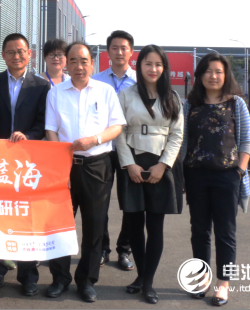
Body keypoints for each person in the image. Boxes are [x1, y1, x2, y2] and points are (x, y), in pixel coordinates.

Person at [45, 41, 126, 303]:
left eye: (84, 61)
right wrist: (61, 160)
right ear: (66, 64)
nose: (79, 66)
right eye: (73, 61)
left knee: (94, 225)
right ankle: (59, 278)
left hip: (97, 165)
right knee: (60, 224)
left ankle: (87, 281)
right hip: (64, 166)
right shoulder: (56, 93)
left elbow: (117, 126)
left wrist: (95, 139)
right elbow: (50, 129)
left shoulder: (105, 91)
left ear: (92, 63)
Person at [0, 32, 51, 295]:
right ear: (3, 55)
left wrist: (28, 136)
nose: (16, 56)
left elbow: (44, 122)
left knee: (26, 218)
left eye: (21, 51)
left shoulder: (41, 86)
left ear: (29, 54)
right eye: (10, 52)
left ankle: (28, 275)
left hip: (26, 161)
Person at [116, 45, 184, 305]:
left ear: (164, 68)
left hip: (159, 167)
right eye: (148, 63)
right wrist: (129, 165)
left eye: (158, 64)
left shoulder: (172, 97)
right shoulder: (126, 94)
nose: (153, 69)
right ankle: (140, 276)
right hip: (133, 164)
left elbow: (177, 135)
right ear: (139, 65)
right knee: (134, 226)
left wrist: (163, 165)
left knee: (155, 227)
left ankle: (148, 282)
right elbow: (118, 132)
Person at [183, 54, 250, 307]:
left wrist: (239, 172)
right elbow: (184, 140)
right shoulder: (190, 104)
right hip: (196, 176)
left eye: (219, 71)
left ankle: (223, 284)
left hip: (227, 176)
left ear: (226, 75)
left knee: (226, 232)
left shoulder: (236, 103)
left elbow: (245, 141)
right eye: (208, 71)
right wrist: (181, 174)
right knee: (199, 230)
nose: (213, 76)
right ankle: (201, 279)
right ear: (200, 75)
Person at [92, 30, 137, 271]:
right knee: (100, 201)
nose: (119, 52)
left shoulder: (140, 81)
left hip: (131, 149)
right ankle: (102, 248)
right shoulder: (96, 80)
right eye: (115, 48)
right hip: (103, 149)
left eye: (124, 48)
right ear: (108, 51)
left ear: (131, 52)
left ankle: (125, 249)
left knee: (130, 202)